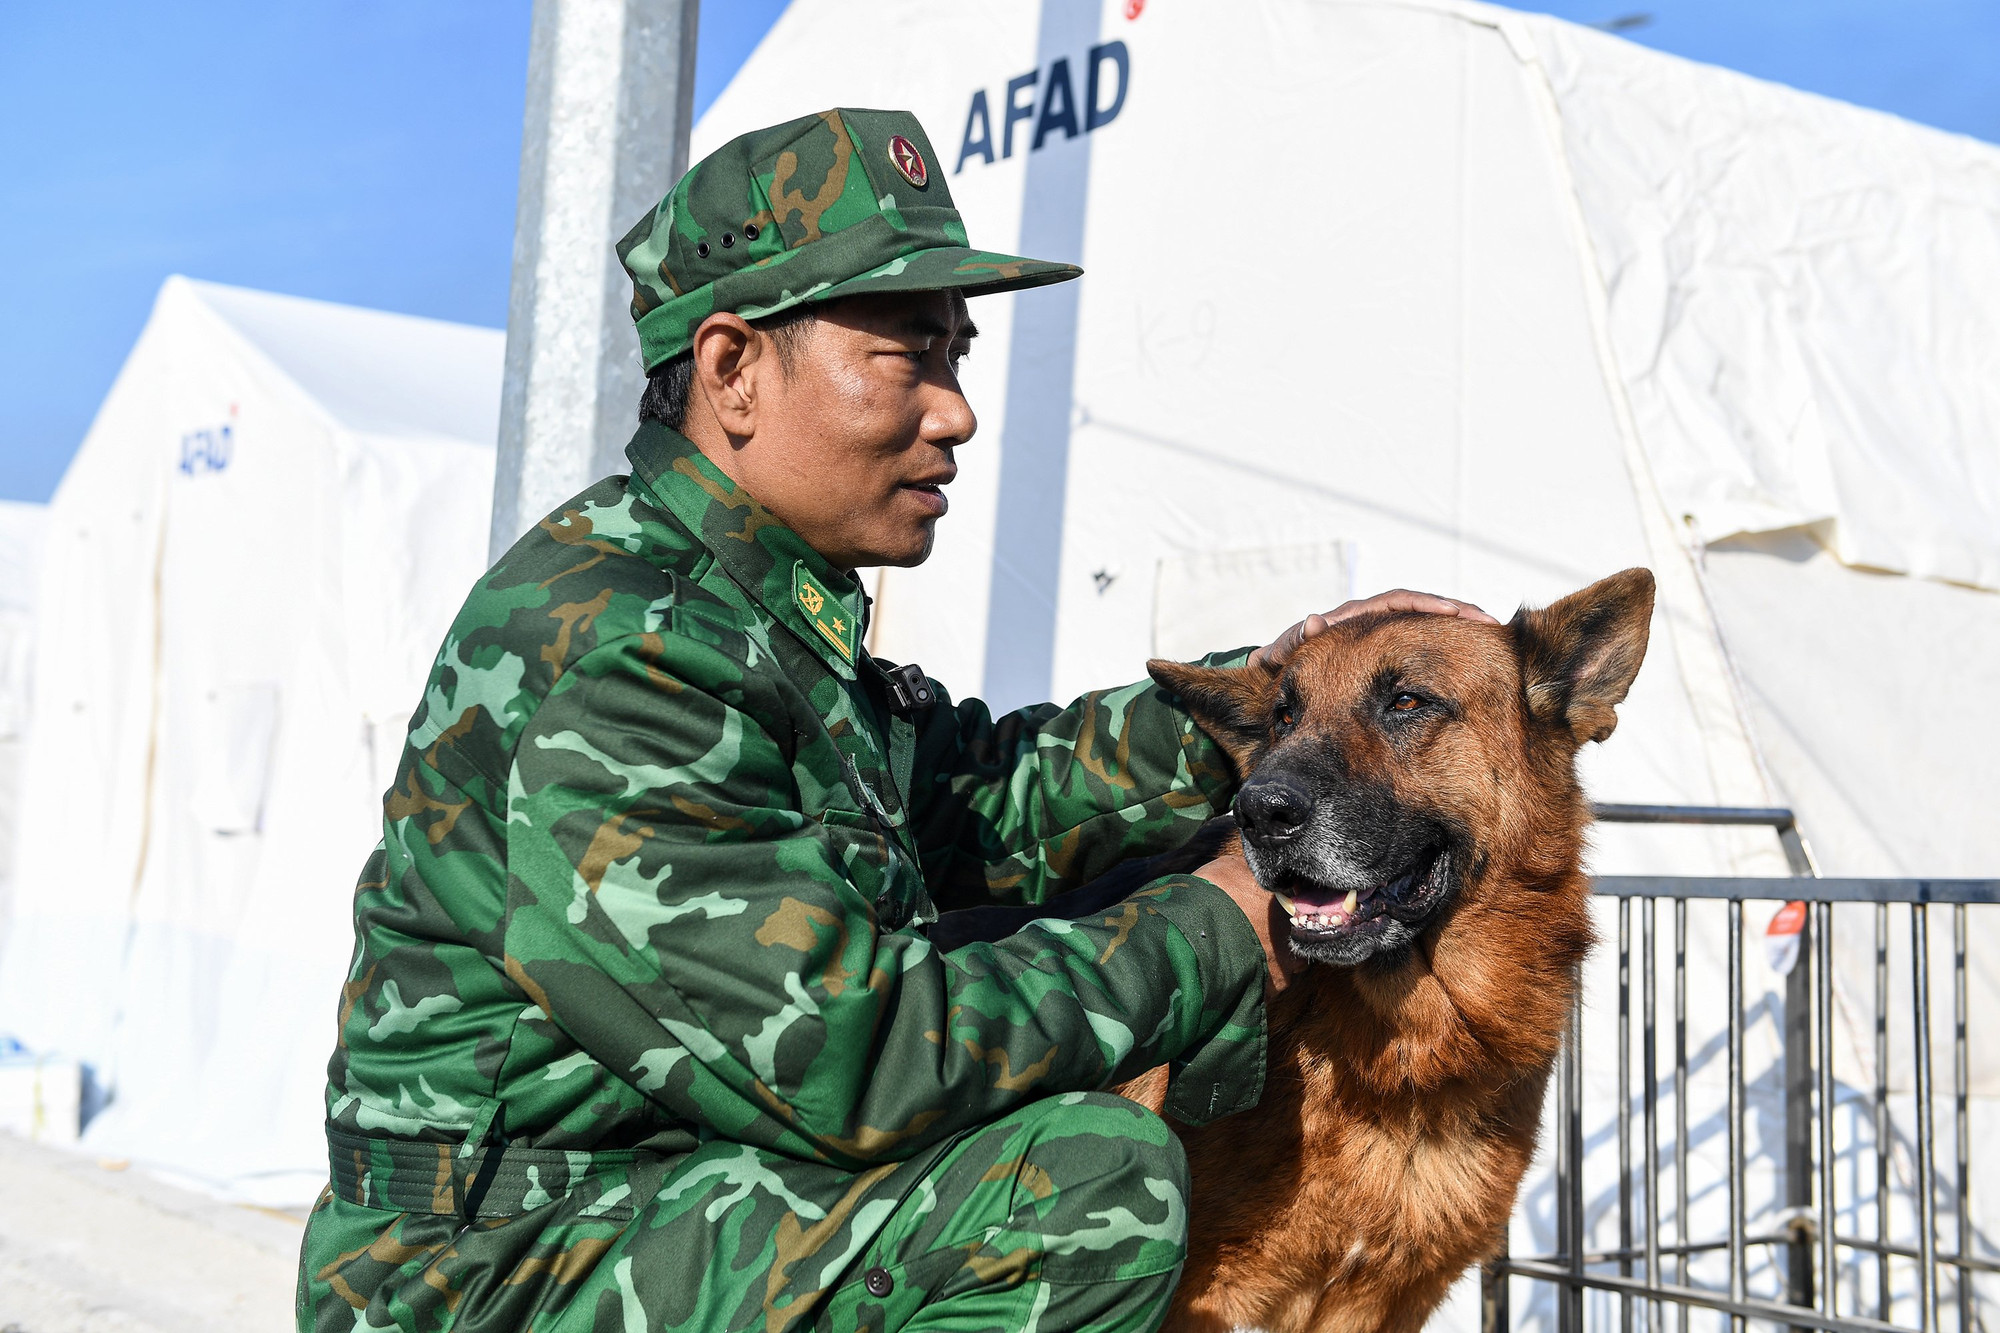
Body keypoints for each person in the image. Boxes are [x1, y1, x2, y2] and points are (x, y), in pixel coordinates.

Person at [296, 107, 1494, 1333]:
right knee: (1077, 1189)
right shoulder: (624, 652)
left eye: (956, 356)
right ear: (733, 370)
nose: (955, 412)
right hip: (498, 1270)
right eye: (907, 355)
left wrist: (1280, 694)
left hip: (660, 1202)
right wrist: (1213, 927)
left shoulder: (753, 619)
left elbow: (984, 802)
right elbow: (857, 1058)